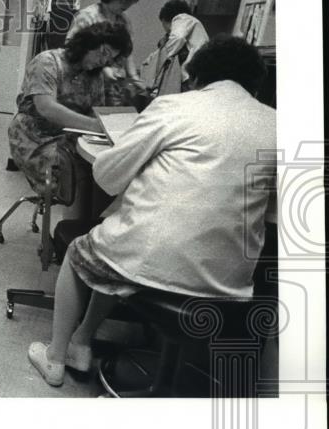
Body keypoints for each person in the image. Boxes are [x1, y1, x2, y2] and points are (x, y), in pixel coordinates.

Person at [27, 35, 275, 386]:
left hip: (153, 265)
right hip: (230, 287)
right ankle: (81, 343)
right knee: (113, 236)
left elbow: (108, 175)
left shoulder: (173, 108)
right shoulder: (277, 124)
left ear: (196, 77)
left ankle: (55, 357)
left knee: (87, 251)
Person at [8, 21, 133, 219]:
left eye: (110, 59)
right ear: (88, 43)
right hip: (34, 137)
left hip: (68, 136)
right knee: (79, 175)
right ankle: (69, 237)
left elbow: (95, 111)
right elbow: (46, 108)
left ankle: (90, 228)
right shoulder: (48, 62)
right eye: (103, 53)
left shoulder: (94, 75)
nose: (104, 61)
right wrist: (94, 125)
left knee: (109, 167)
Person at [67, 0, 146, 106]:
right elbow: (71, 48)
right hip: (89, 79)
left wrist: (134, 77)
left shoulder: (124, 21)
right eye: (124, 0)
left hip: (113, 84)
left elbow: (127, 52)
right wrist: (102, 69)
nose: (126, 5)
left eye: (131, 2)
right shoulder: (87, 16)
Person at [141, 0, 210, 97]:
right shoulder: (193, 25)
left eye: (163, 23)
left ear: (166, 19)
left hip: (192, 75)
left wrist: (162, 55)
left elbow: (178, 37)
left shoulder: (182, 18)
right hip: (198, 74)